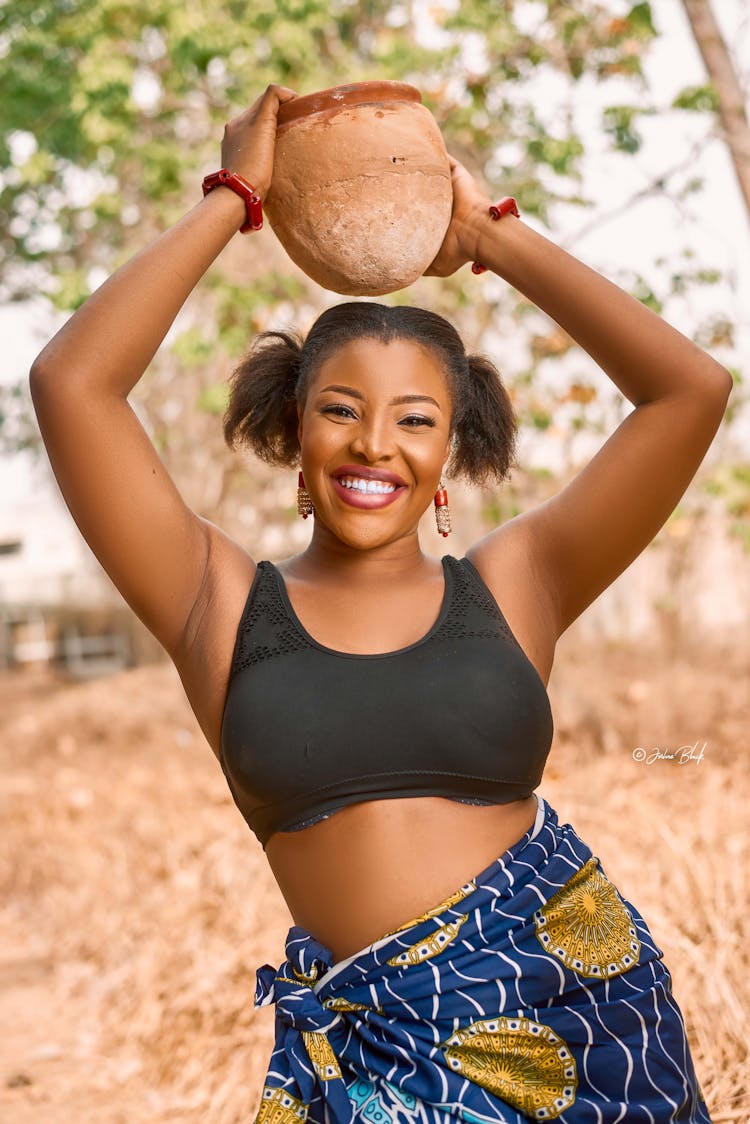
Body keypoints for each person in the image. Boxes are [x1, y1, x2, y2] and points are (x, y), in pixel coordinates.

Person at [30, 84, 729, 1123]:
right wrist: (231, 198)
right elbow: (71, 384)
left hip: (579, 1026)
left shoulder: (515, 584)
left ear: (450, 454)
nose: (373, 444)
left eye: (414, 419)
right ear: (294, 435)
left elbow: (690, 391)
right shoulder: (216, 600)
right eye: (340, 410)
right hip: (371, 1058)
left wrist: (490, 236)